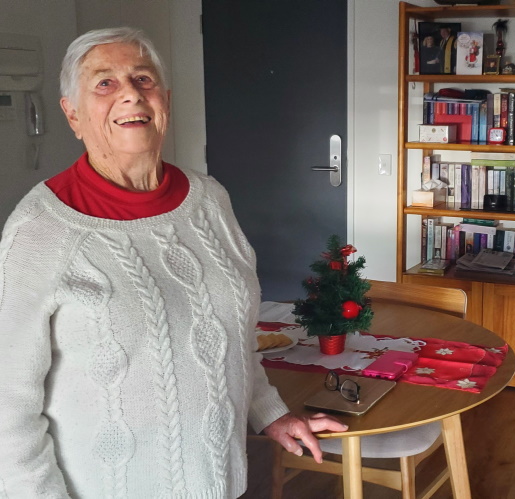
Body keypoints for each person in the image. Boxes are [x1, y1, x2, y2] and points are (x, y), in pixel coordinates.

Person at [0, 27, 346, 498]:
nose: (129, 95)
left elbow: (229, 336)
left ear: (164, 100)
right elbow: (9, 403)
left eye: (142, 79)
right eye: (104, 83)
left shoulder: (209, 200)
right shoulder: (41, 229)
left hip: (221, 479)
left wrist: (270, 412)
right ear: (72, 114)